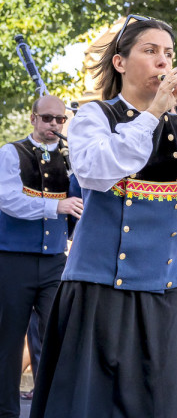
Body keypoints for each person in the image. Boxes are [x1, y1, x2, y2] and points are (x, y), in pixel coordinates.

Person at [31, 15, 177, 418]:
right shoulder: (95, 116)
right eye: (151, 51)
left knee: (169, 403)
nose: (163, 62)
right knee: (92, 404)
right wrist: (152, 114)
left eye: (169, 53)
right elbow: (94, 172)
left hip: (165, 286)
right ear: (120, 62)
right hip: (98, 287)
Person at [0, 95, 81, 418]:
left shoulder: (70, 159)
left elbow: (79, 205)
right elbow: (8, 200)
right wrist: (55, 207)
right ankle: (6, 412)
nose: (53, 125)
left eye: (60, 120)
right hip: (12, 260)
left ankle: (50, 410)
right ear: (33, 119)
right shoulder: (11, 152)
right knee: (8, 342)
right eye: (47, 118)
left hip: (54, 263)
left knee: (56, 339)